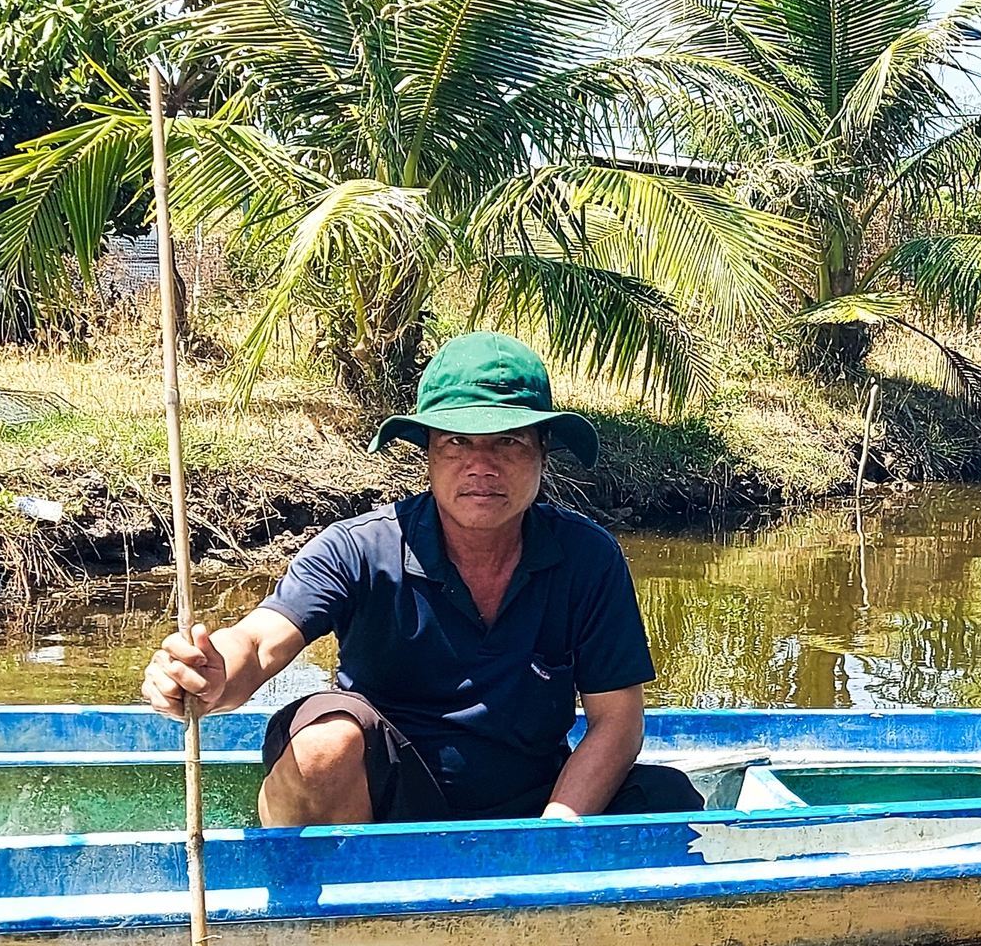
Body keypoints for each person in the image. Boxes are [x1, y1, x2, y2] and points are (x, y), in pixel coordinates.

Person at [140, 332, 702, 825]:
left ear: (542, 453)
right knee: (324, 745)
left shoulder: (587, 557)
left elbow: (617, 723)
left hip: (530, 799)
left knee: (668, 800)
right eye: (457, 442)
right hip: (384, 798)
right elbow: (260, 641)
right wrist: (209, 673)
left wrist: (553, 832)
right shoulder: (359, 548)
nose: (482, 464)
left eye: (508, 441)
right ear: (427, 453)